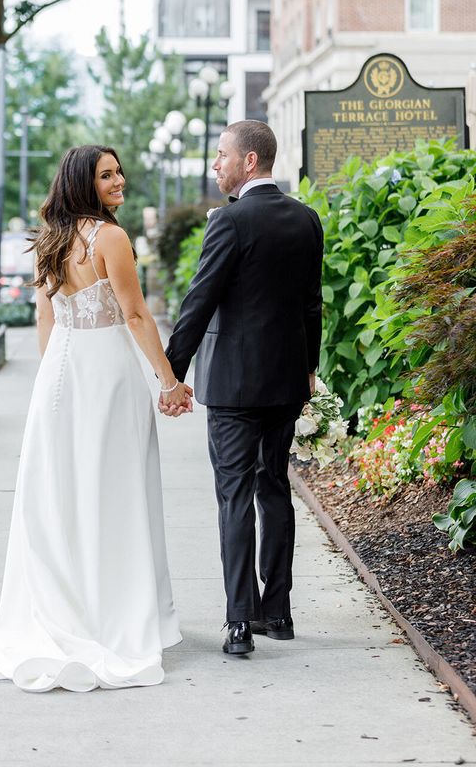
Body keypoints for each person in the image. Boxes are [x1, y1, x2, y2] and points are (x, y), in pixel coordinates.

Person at [0, 145, 190, 692]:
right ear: (82, 184)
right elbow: (135, 315)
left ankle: (67, 608)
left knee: (59, 495)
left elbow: (46, 317)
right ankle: (113, 615)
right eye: (106, 174)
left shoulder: (51, 240)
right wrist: (170, 382)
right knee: (114, 492)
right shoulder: (109, 238)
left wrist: (52, 383)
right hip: (106, 374)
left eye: (119, 170)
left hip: (60, 376)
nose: (119, 179)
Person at [162, 120, 323, 656]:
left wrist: (171, 372)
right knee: (274, 489)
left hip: (232, 386)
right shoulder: (306, 219)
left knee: (234, 496)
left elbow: (199, 301)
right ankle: (277, 612)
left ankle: (237, 623)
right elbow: (311, 304)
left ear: (248, 162)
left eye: (221, 155)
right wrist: (309, 368)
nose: (215, 165)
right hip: (284, 381)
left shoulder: (229, 222)